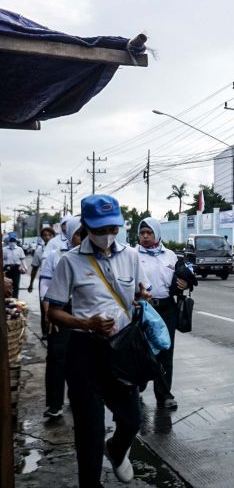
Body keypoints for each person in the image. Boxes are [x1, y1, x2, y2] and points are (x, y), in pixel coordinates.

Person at [45, 195, 152, 487]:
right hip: (84, 353)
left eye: (113, 228)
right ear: (87, 225)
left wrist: (143, 296)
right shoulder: (70, 261)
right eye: (101, 229)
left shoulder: (131, 256)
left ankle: (117, 449)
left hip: (122, 351)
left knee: (131, 419)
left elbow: (141, 292)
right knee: (89, 433)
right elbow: (54, 312)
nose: (107, 235)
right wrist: (87, 324)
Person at [136, 217, 188, 410]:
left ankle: (164, 394)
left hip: (167, 308)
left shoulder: (170, 256)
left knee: (165, 351)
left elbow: (181, 279)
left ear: (157, 234)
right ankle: (138, 384)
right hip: (143, 309)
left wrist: (185, 284)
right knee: (141, 349)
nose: (145, 236)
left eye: (149, 233)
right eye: (142, 233)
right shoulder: (133, 255)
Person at [40, 216, 83, 419]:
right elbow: (46, 286)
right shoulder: (55, 255)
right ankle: (55, 404)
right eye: (78, 234)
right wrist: (49, 313)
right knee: (57, 357)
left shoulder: (93, 256)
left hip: (86, 310)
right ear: (69, 234)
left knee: (82, 359)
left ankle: (79, 399)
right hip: (61, 309)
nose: (82, 238)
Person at [28, 226, 56, 334]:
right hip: (44, 281)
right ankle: (45, 332)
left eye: (50, 235)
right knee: (44, 306)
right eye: (45, 235)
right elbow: (34, 268)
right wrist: (31, 284)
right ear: (41, 237)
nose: (47, 237)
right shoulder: (39, 251)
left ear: (54, 236)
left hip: (57, 281)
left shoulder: (59, 249)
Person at [3, 232, 26, 298]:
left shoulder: (19, 249)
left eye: (13, 240)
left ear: (16, 241)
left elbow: (22, 259)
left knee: (16, 285)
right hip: (7, 268)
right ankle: (7, 299)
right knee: (7, 284)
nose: (12, 242)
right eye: (11, 240)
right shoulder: (4, 250)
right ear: (8, 240)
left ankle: (15, 299)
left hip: (16, 268)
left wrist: (25, 267)